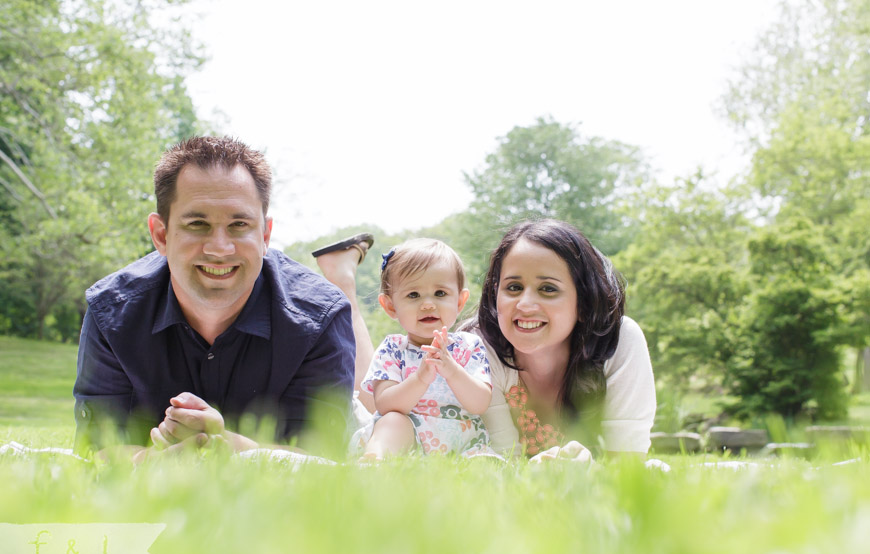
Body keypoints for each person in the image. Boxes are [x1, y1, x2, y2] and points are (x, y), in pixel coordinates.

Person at [73, 136, 355, 462]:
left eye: (239, 225)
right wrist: (154, 463)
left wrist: (218, 443)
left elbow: (322, 461)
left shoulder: (320, 317)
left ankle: (343, 269)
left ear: (264, 235)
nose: (220, 248)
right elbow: (95, 451)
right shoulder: (111, 313)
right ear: (161, 235)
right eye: (198, 224)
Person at [316, 220, 655, 461]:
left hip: (448, 433)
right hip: (406, 424)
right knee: (372, 409)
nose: (525, 304)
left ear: (584, 300)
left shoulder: (619, 340)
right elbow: (505, 458)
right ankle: (343, 282)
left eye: (548, 289)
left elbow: (626, 463)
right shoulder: (478, 344)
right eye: (513, 287)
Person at [348, 239, 495, 460]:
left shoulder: (468, 346)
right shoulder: (393, 349)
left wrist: (451, 369)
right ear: (390, 306)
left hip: (464, 442)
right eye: (413, 295)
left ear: (460, 301)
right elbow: (385, 404)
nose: (428, 304)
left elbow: (480, 404)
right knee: (392, 422)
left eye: (440, 293)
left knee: (485, 464)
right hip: (407, 438)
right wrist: (420, 378)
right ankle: (375, 461)